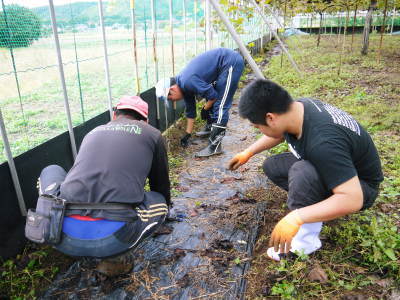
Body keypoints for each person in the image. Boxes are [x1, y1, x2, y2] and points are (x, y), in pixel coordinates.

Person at [228, 79, 383, 261]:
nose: (259, 130)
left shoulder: (323, 143)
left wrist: (296, 217)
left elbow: (353, 199)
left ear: (270, 118)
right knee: (273, 166)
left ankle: (305, 242)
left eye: (258, 126)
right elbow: (279, 133)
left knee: (303, 173)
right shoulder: (299, 108)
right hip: (339, 167)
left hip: (361, 187)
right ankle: (317, 204)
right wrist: (249, 152)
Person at [37, 95, 171, 275]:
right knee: (159, 199)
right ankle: (116, 259)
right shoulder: (152, 134)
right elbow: (160, 184)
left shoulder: (93, 132)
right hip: (113, 239)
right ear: (145, 120)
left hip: (61, 235)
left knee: (50, 169)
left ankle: (46, 218)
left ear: (114, 115)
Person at [156, 47, 244, 157]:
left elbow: (214, 96)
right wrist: (188, 134)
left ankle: (215, 146)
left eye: (170, 98)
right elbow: (190, 110)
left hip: (230, 62)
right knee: (210, 98)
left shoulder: (188, 81)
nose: (172, 100)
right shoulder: (184, 85)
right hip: (222, 67)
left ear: (172, 89)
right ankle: (210, 127)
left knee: (220, 105)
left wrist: (205, 108)